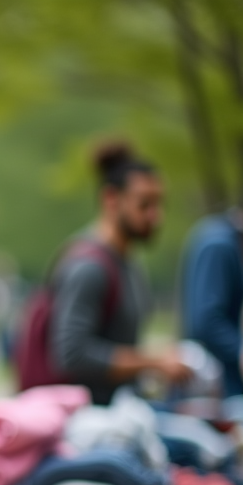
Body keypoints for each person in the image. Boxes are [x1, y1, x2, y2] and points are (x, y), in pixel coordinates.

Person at [48, 141, 191, 404]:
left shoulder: (128, 262)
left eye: (159, 204)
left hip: (121, 409)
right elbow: (72, 354)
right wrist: (154, 362)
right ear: (111, 199)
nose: (156, 216)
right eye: (145, 204)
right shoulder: (88, 267)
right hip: (86, 419)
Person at [181, 206, 243, 397]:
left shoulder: (221, 237)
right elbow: (208, 321)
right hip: (215, 386)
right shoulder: (219, 244)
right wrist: (239, 350)